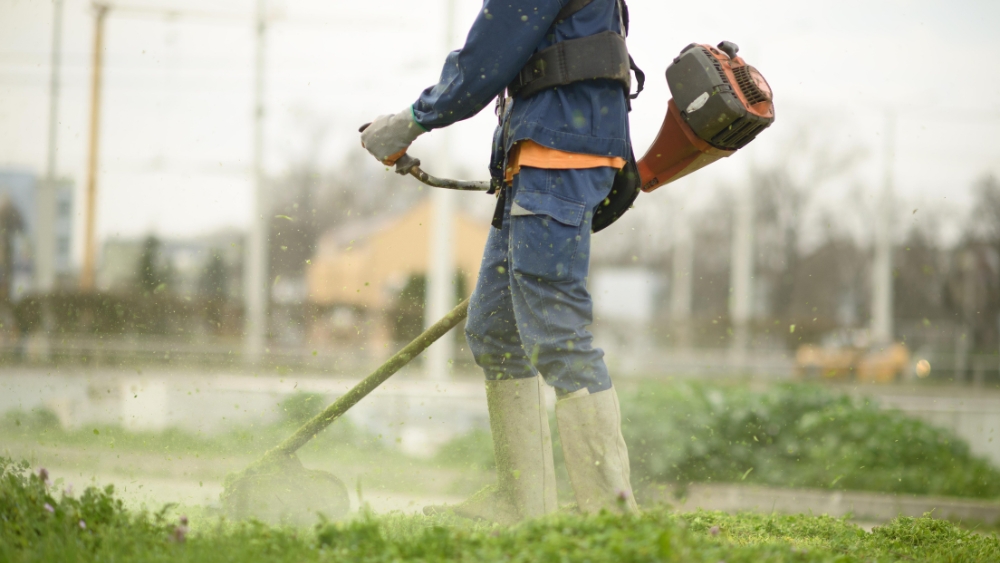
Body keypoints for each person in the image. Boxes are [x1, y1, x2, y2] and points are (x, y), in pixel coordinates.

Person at [361, 0, 639, 523]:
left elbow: (485, 60)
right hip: (537, 163)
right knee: (494, 329)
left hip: (558, 161)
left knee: (559, 338)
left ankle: (612, 519)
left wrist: (409, 121)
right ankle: (523, 506)